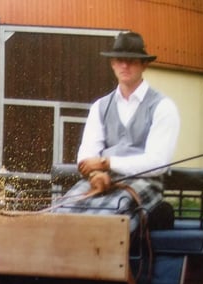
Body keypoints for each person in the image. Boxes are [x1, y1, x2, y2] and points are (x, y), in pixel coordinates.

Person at [52, 31, 180, 233]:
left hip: (144, 183)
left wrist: (106, 163)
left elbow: (158, 162)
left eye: (132, 60)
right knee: (59, 214)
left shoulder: (163, 107)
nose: (125, 65)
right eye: (119, 60)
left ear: (144, 64)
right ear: (112, 63)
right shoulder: (100, 106)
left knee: (106, 222)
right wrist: (95, 173)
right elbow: (86, 155)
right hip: (100, 180)